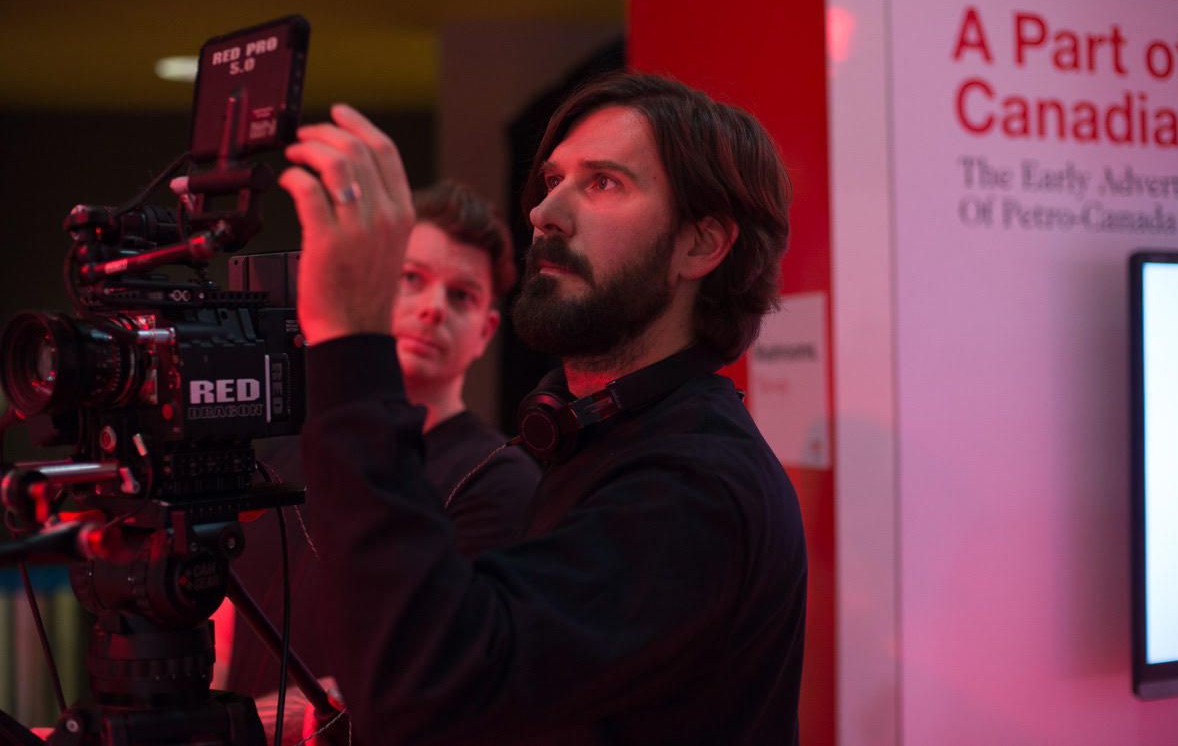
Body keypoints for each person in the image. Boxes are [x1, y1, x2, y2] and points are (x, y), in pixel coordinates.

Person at [280, 71, 808, 744]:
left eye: (603, 182)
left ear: (700, 244)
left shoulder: (695, 484)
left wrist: (351, 340)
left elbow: (428, 687)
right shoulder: (598, 432)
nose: (544, 212)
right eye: (554, 180)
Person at [220, 180, 540, 700]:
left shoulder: (498, 479)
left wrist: (276, 723)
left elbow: (447, 675)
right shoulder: (285, 448)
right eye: (411, 278)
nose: (434, 308)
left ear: (485, 332)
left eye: (461, 295)